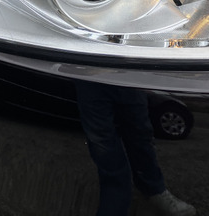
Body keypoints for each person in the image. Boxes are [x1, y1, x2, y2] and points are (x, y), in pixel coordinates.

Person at [76, 81, 196, 216]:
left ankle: (154, 190)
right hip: (91, 78)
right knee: (103, 143)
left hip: (129, 77)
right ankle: (115, 203)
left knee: (140, 133)